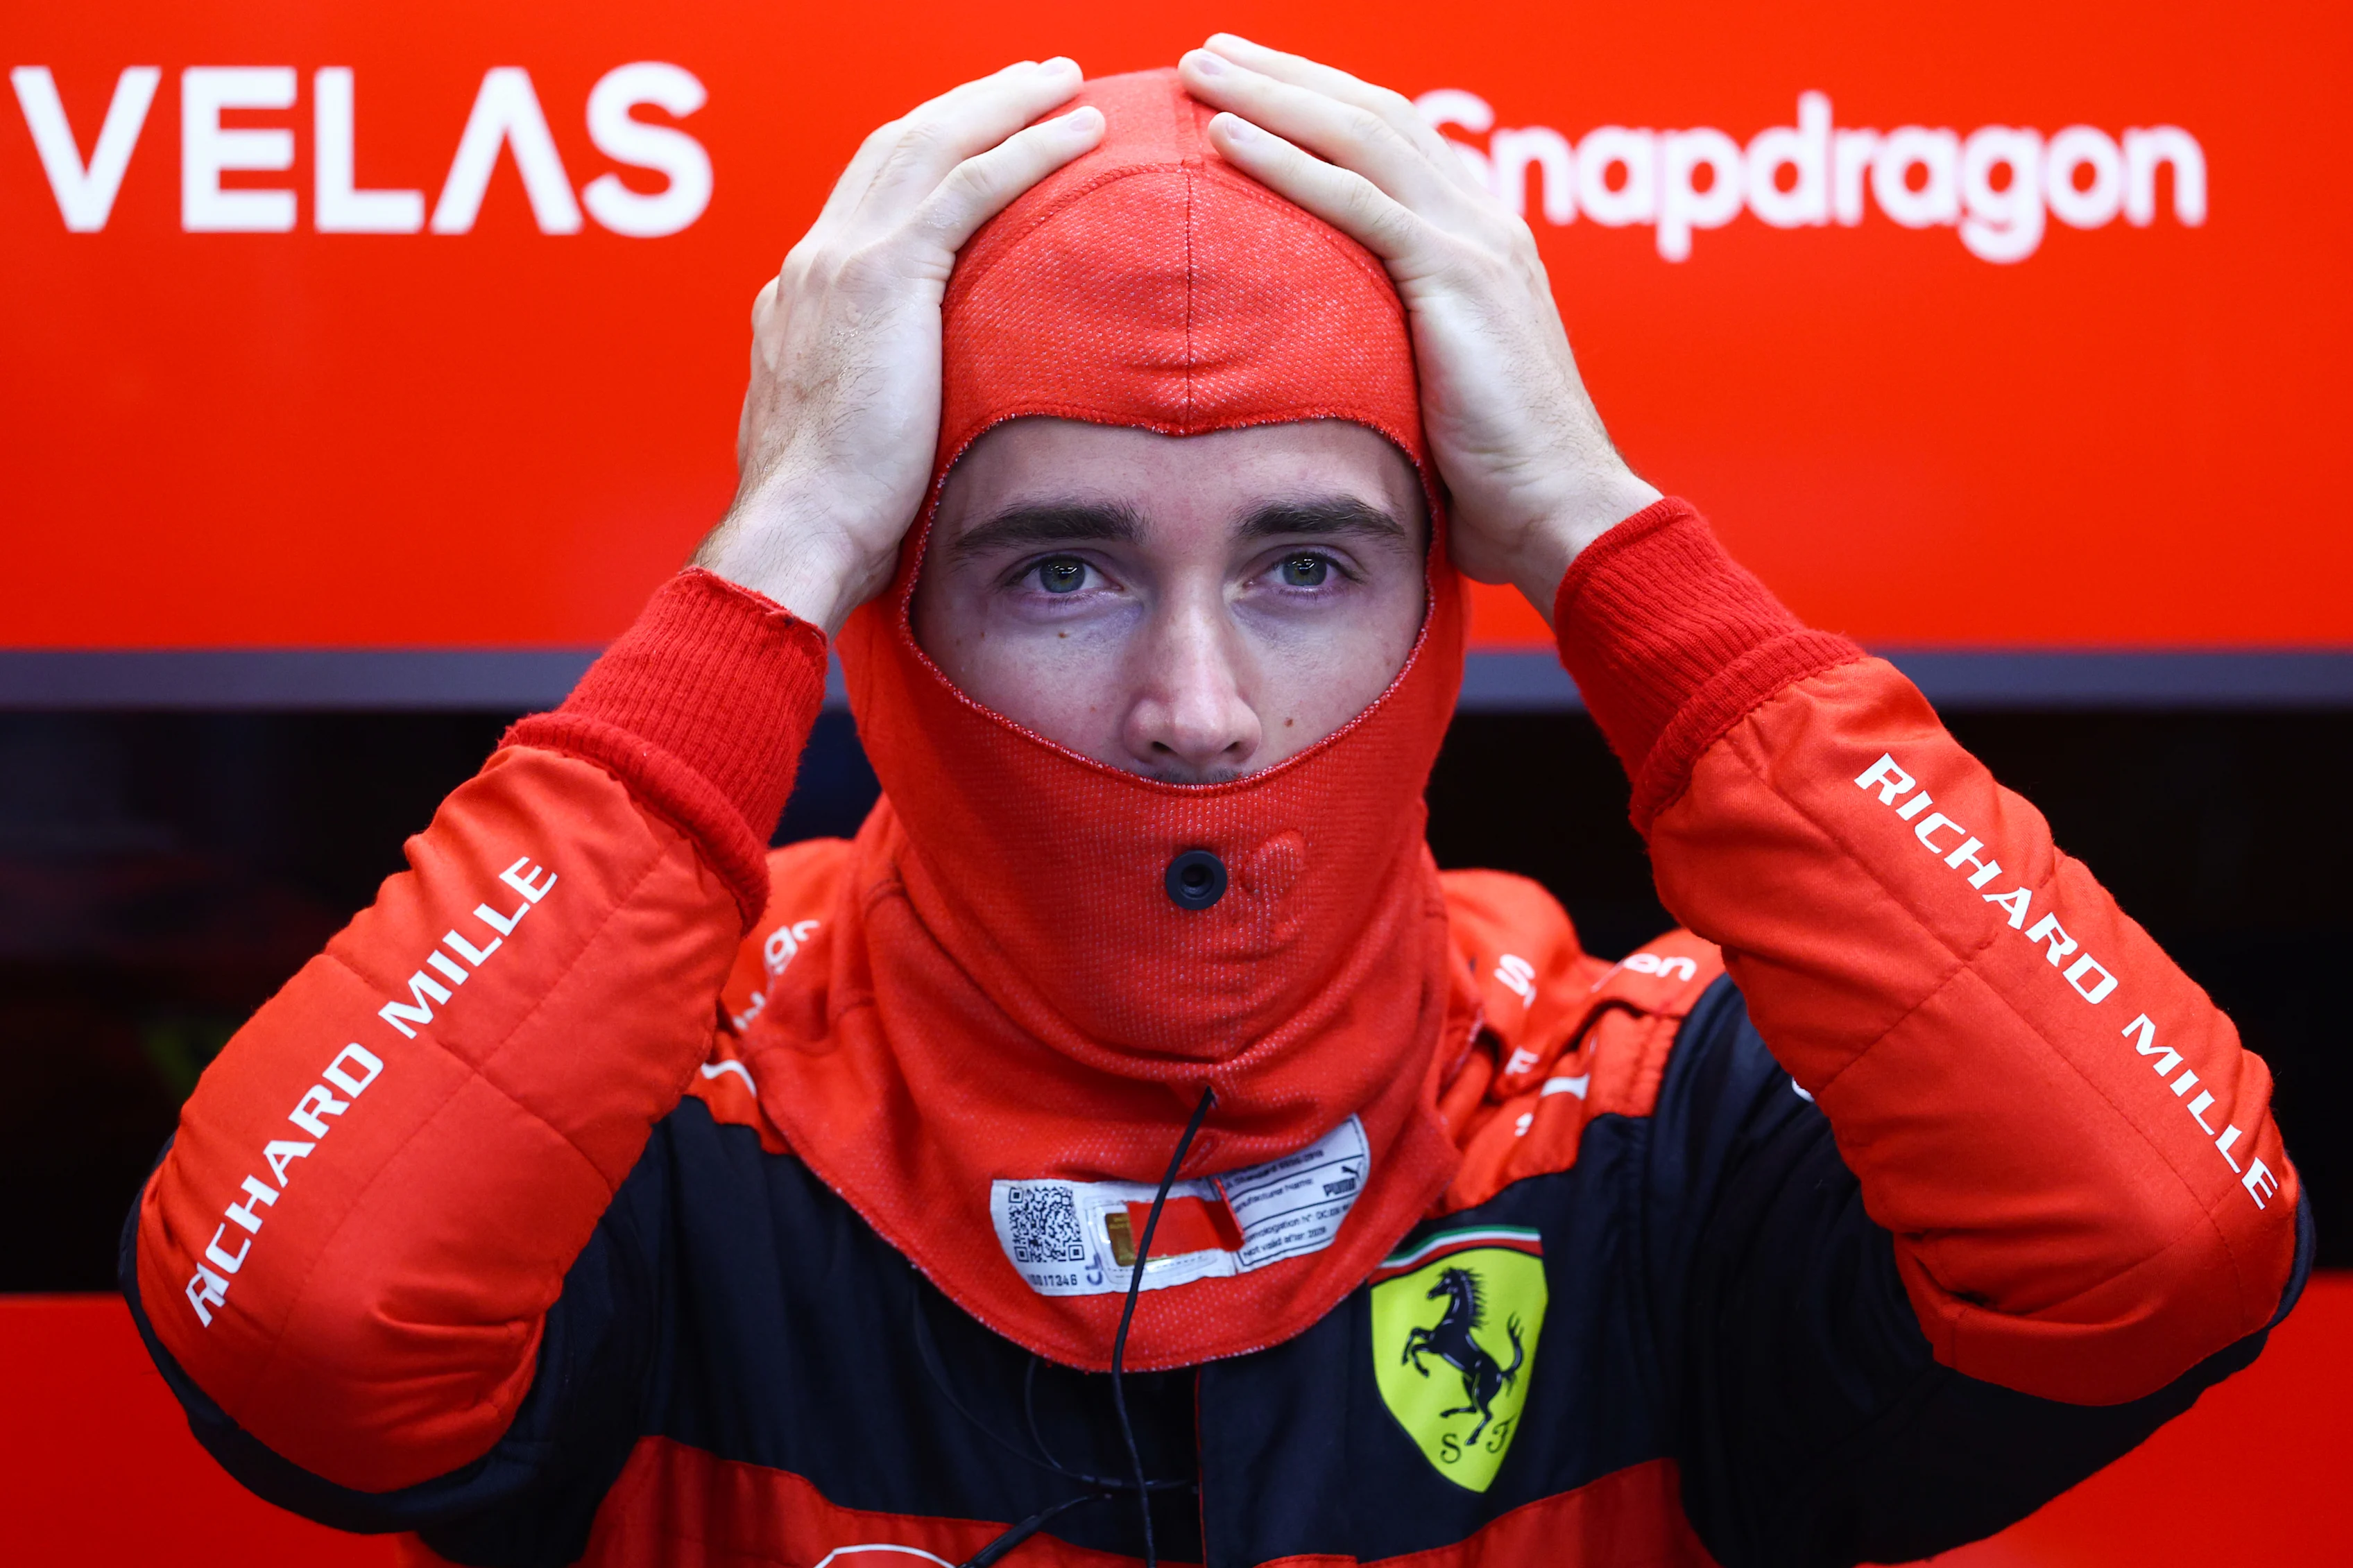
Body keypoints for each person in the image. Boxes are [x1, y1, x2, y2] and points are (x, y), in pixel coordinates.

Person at [125, 38, 2307, 1568]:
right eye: (1057, 563)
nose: (1194, 706)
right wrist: (766, 554)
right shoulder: (676, 1115)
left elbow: (2168, 1235)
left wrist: (1613, 547)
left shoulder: (1637, 1117)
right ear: (894, 604)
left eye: (1309, 561)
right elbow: (297, 1322)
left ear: (1450, 597)